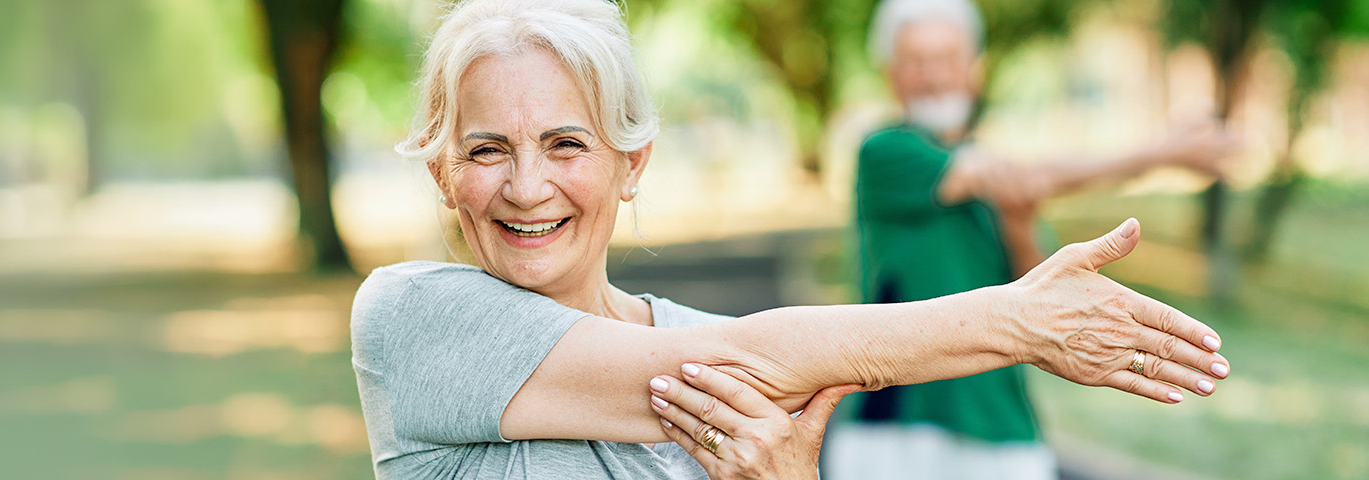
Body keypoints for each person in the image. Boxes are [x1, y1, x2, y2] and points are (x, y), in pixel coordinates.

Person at [350, 0, 1230, 478]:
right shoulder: (409, 319)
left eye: (566, 143)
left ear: (632, 162)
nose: (526, 187)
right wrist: (1019, 323)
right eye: (486, 149)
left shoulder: (710, 349)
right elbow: (751, 353)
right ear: (442, 173)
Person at [811, 0, 1240, 478]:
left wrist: (1017, 223)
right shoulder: (886, 152)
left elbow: (1038, 290)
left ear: (974, 69)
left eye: (946, 60)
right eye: (916, 62)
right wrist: (1159, 153)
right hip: (894, 426)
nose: (933, 77)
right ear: (891, 74)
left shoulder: (1002, 177)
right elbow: (1002, 174)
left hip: (1002, 424)